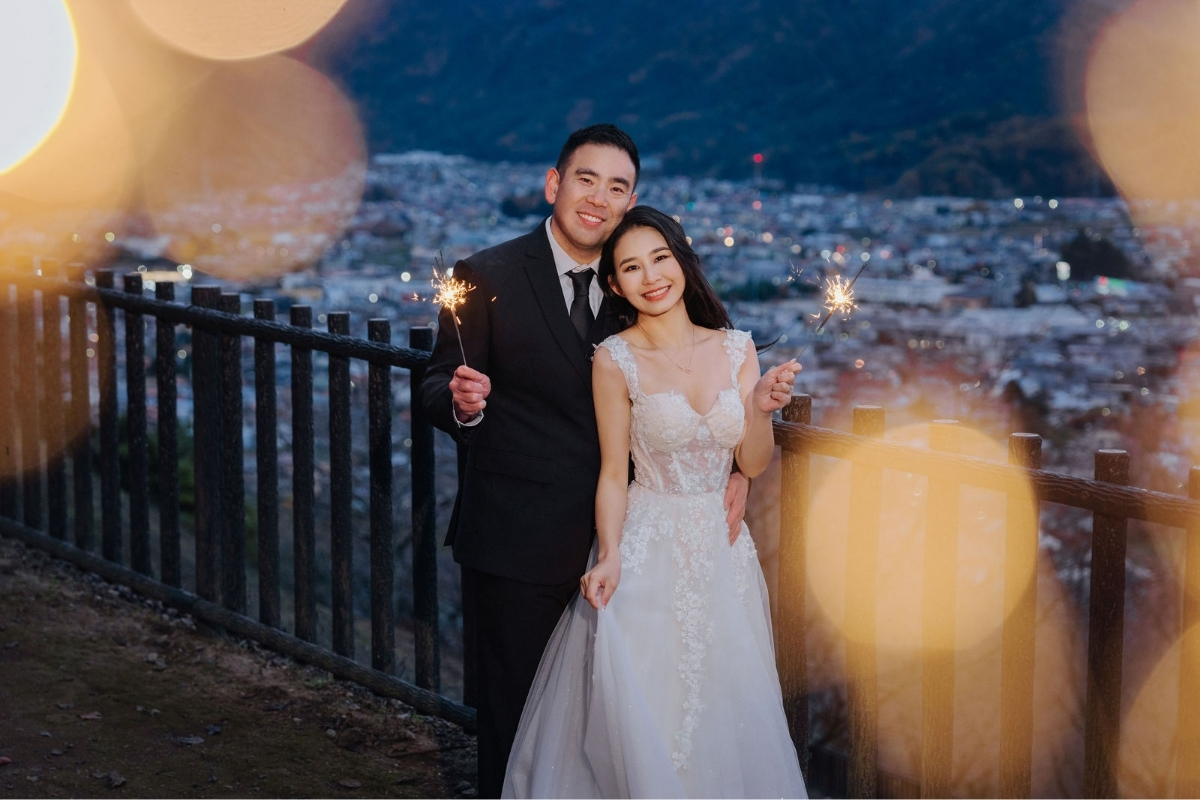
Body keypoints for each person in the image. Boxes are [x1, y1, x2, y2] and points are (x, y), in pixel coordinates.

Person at [419, 125, 751, 797]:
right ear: (554, 184)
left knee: (621, 730)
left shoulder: (642, 281)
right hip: (517, 540)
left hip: (634, 547)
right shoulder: (486, 274)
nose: (599, 198)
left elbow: (712, 376)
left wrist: (737, 467)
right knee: (516, 730)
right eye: (586, 179)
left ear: (632, 203)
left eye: (618, 186)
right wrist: (464, 402)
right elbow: (434, 382)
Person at [503, 206, 807, 798]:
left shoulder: (738, 348)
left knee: (724, 706)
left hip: (722, 552)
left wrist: (762, 410)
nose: (651, 277)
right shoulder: (614, 359)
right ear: (615, 284)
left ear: (682, 259)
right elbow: (614, 473)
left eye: (660, 258)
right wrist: (610, 554)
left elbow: (751, 463)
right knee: (649, 710)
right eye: (632, 268)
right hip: (647, 546)